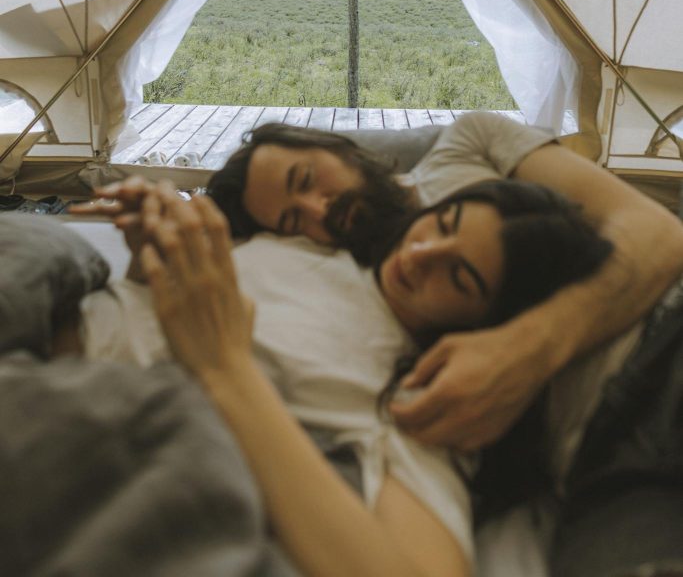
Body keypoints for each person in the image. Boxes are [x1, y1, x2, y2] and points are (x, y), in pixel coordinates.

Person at [73, 111, 683, 454]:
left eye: (308, 178)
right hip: (606, 452)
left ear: (337, 145)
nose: (318, 211)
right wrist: (145, 246)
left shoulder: (468, 145)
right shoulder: (370, 277)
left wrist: (526, 349)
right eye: (292, 221)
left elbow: (658, 232)